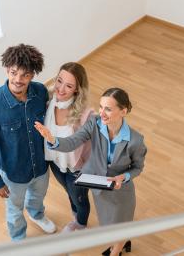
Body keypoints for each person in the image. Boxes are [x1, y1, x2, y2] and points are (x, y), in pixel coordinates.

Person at [35, 88, 147, 256]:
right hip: (100, 187)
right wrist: (53, 140)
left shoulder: (135, 140)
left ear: (123, 111)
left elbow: (138, 167)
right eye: (101, 107)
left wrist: (125, 176)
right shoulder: (94, 124)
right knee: (108, 223)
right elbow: (73, 142)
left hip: (121, 192)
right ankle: (123, 242)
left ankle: (115, 251)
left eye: (108, 109)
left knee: (121, 223)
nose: (101, 112)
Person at [0, 44, 56, 241]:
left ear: (33, 75)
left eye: (25, 75)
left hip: (40, 166)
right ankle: (18, 238)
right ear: (7, 70)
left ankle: (36, 215)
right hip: (13, 174)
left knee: (37, 198)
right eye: (13, 73)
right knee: (14, 210)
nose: (18, 80)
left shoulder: (40, 93)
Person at [45, 62, 93, 232]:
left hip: (77, 169)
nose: (61, 89)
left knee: (80, 198)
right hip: (55, 162)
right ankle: (76, 216)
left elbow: (95, 148)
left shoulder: (86, 115)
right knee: (70, 193)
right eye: (59, 81)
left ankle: (80, 224)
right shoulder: (49, 102)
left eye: (69, 85)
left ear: (77, 90)